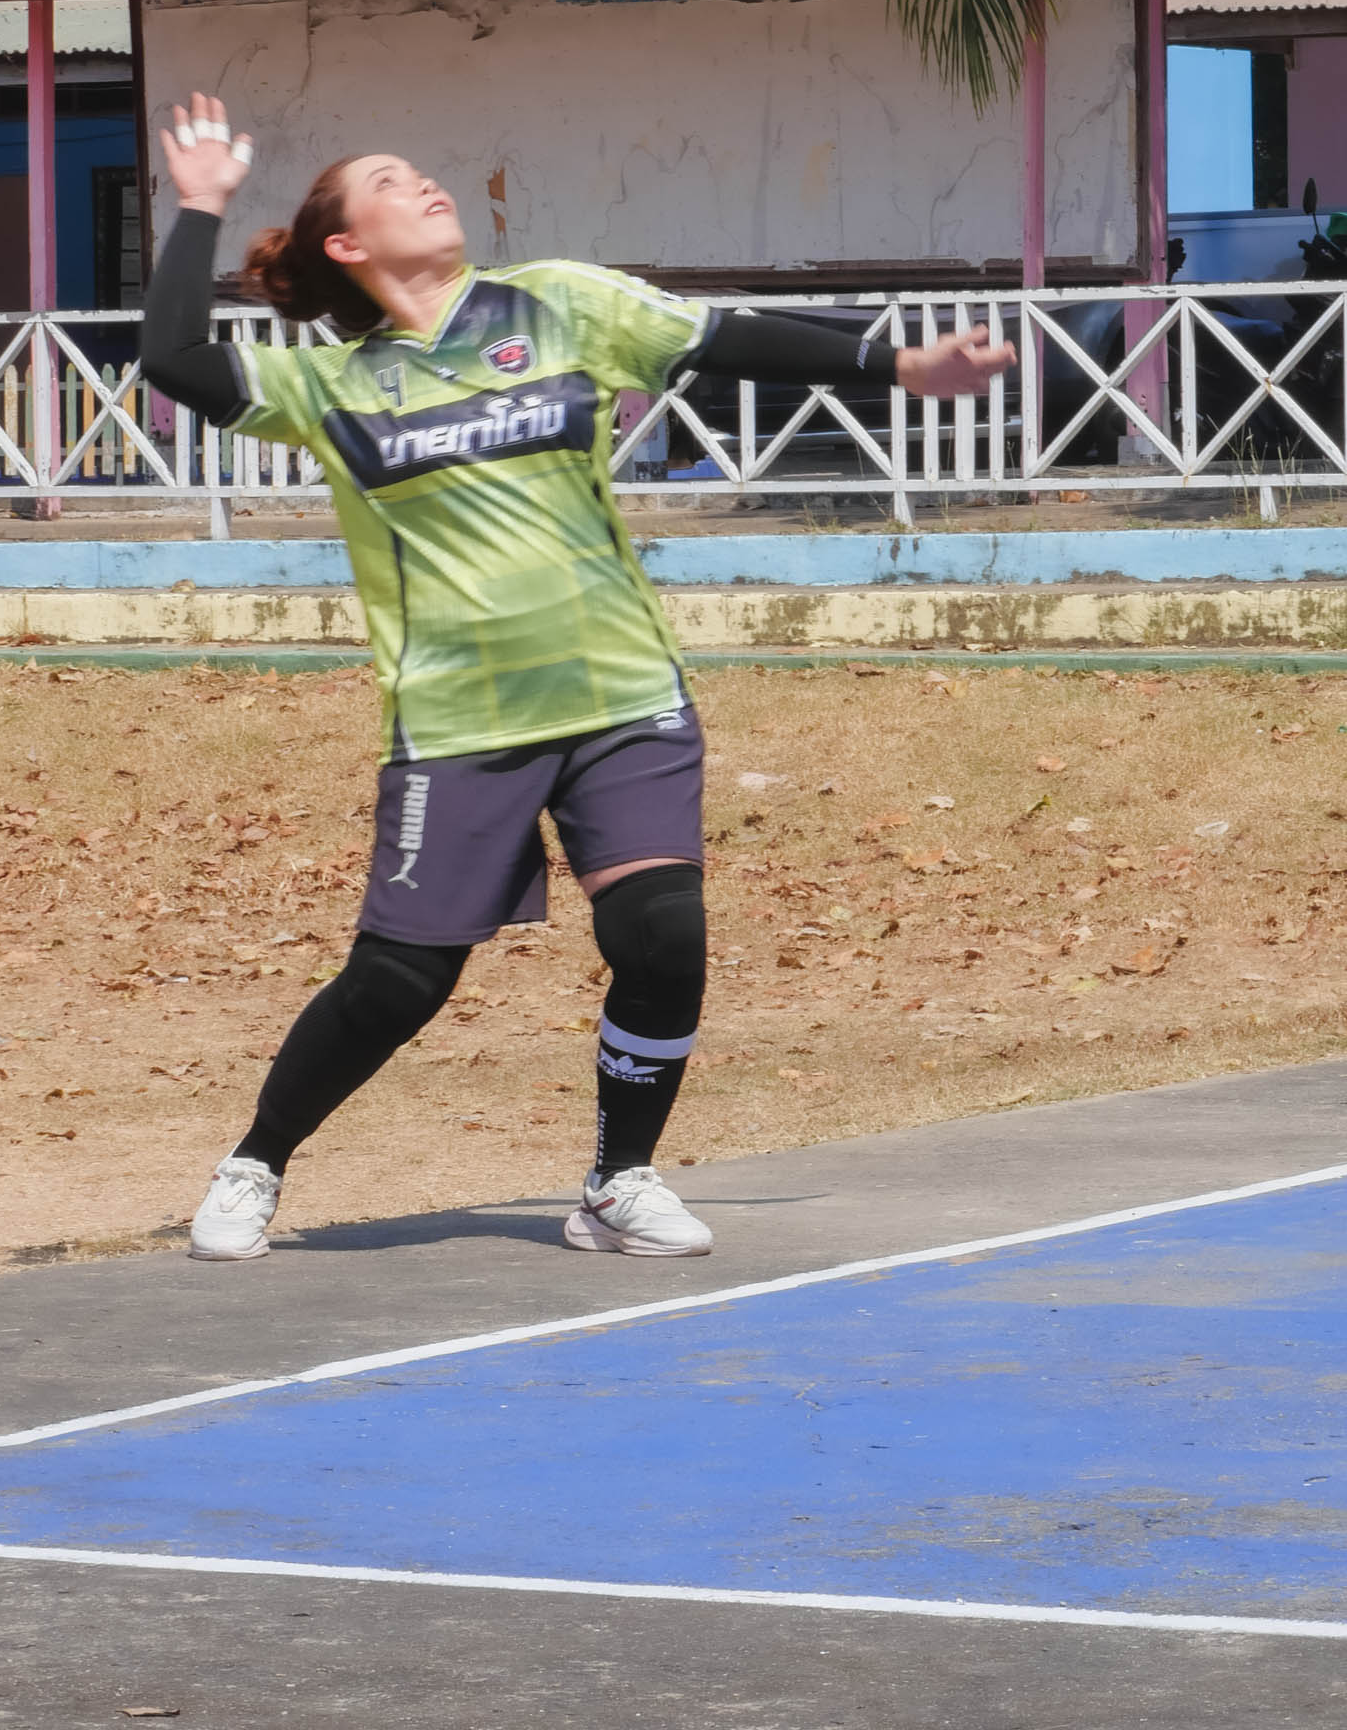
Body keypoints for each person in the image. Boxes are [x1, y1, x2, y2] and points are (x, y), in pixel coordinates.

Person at [140, 95, 1014, 1264]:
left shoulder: (556, 302)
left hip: (622, 696)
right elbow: (174, 363)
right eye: (389, 182)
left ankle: (616, 1181)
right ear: (344, 244)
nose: (424, 184)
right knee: (399, 980)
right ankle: (256, 1162)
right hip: (457, 720)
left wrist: (897, 363)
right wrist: (198, 205)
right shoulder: (329, 386)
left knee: (662, 935)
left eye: (421, 169)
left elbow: (722, 338)